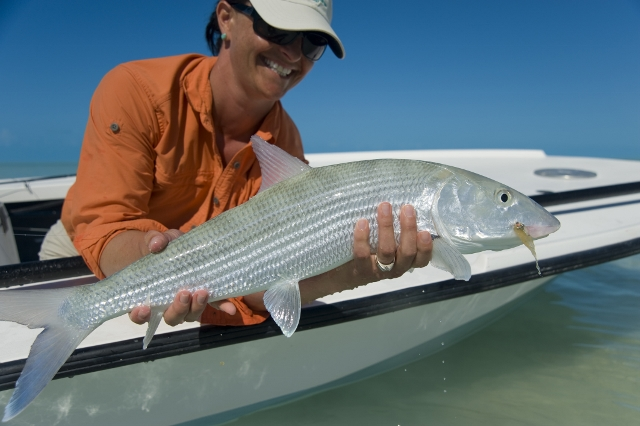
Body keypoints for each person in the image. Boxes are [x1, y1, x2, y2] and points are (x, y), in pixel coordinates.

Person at [42, 0, 433, 329]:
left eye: (312, 43)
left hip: (204, 278)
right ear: (226, 17)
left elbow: (262, 285)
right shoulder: (135, 90)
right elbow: (103, 226)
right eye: (277, 29)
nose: (294, 54)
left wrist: (365, 269)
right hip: (78, 258)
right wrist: (156, 257)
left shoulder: (286, 143)